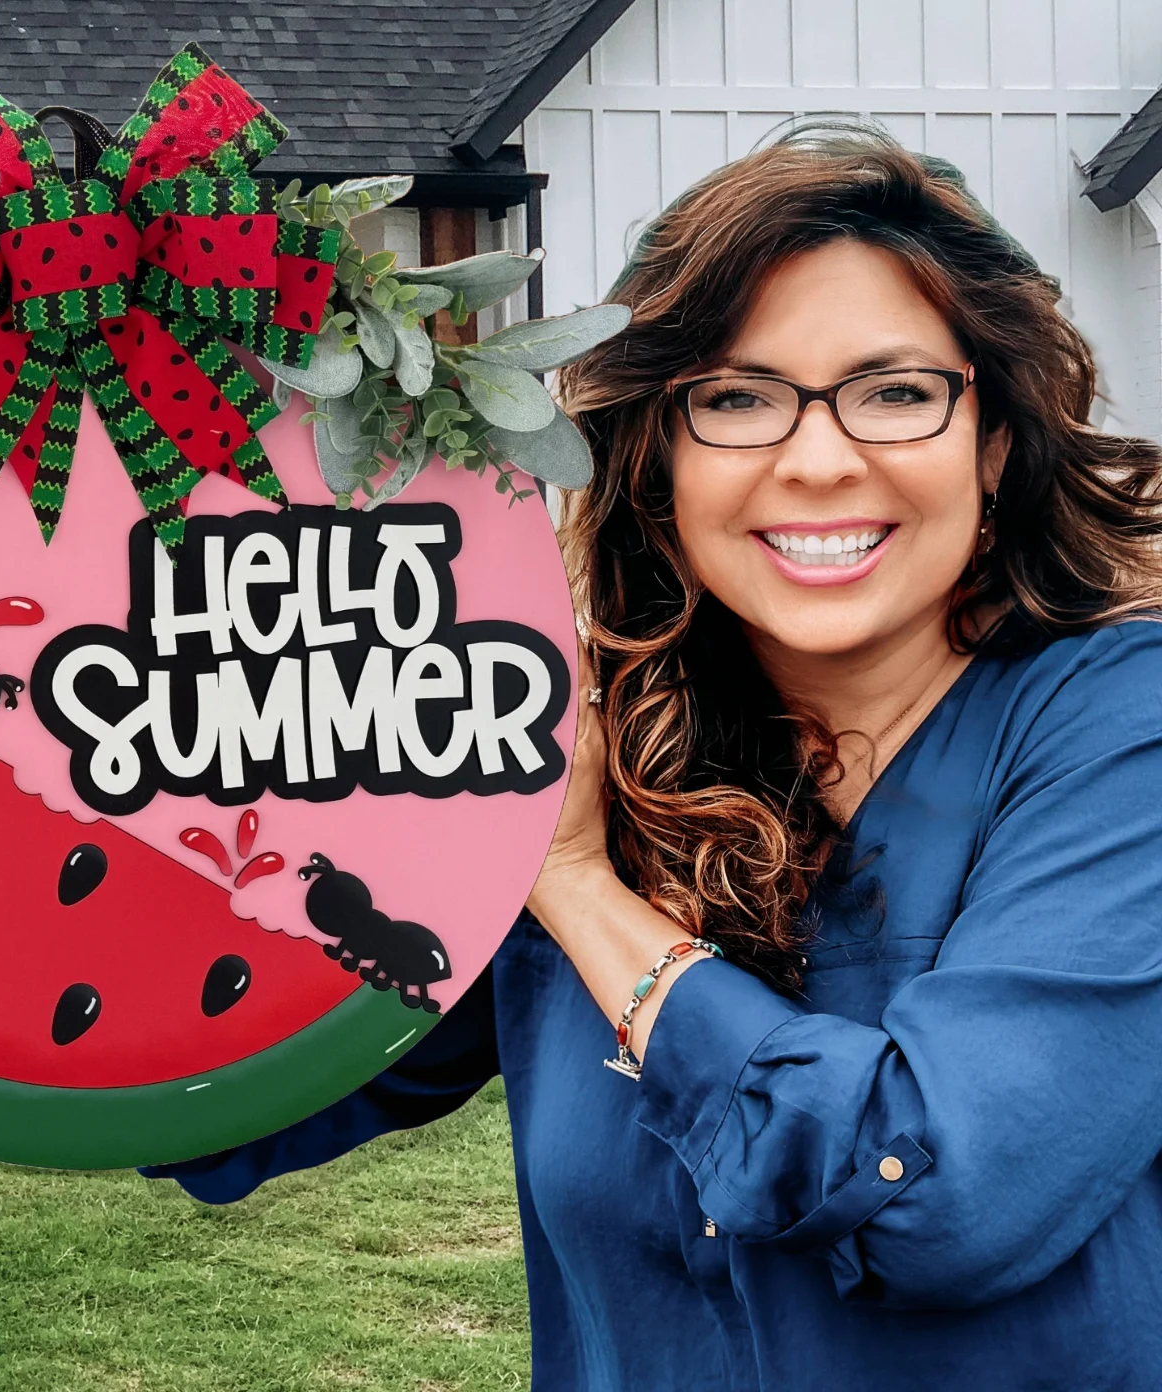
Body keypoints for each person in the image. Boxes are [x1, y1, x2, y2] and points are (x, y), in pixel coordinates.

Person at [144, 124, 1162, 1390]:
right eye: (735, 399)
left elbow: (943, 1195)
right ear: (657, 458)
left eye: (897, 393)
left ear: (993, 442)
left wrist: (577, 888)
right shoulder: (590, 748)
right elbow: (225, 1091)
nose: (819, 460)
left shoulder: (1123, 731)